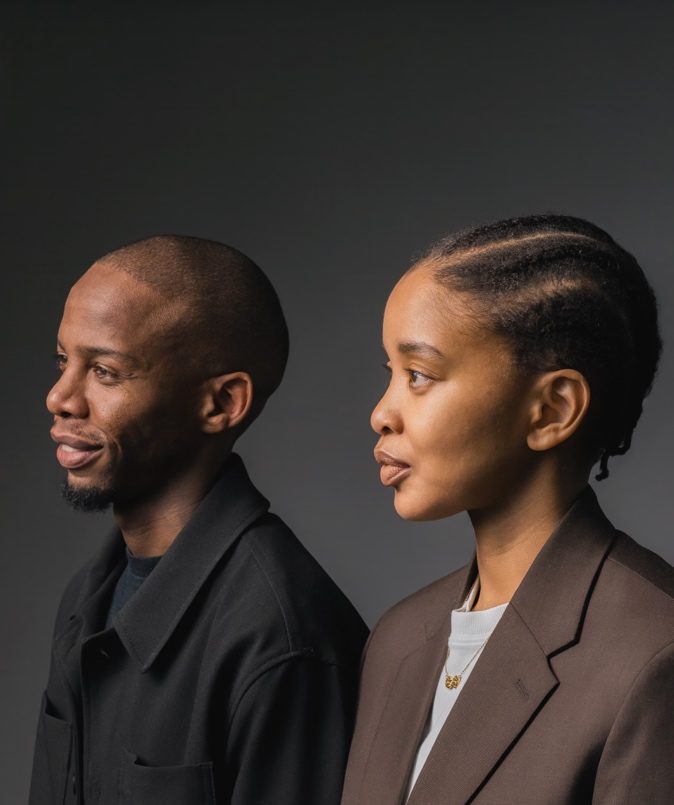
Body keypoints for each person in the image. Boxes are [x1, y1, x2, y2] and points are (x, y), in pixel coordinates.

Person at [341, 215, 674, 804]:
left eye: (419, 374)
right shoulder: (398, 639)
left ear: (552, 410)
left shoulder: (653, 652)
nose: (381, 413)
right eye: (390, 372)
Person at [30, 235, 368, 805]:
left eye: (106, 371)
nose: (60, 398)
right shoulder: (87, 597)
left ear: (222, 403)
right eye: (65, 361)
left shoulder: (283, 641)